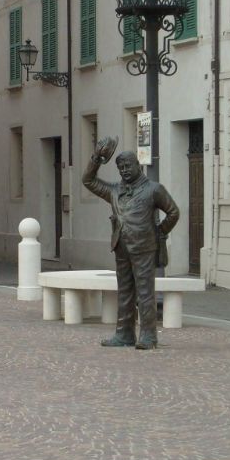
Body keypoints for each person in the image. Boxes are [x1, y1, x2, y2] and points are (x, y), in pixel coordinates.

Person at [83, 140, 179, 350]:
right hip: (121, 247)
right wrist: (97, 159)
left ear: (138, 165)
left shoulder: (154, 189)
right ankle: (124, 334)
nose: (125, 170)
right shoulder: (114, 191)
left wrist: (158, 232)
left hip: (144, 247)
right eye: (121, 168)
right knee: (125, 292)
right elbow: (88, 181)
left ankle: (148, 336)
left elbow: (173, 212)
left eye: (128, 166)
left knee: (145, 293)